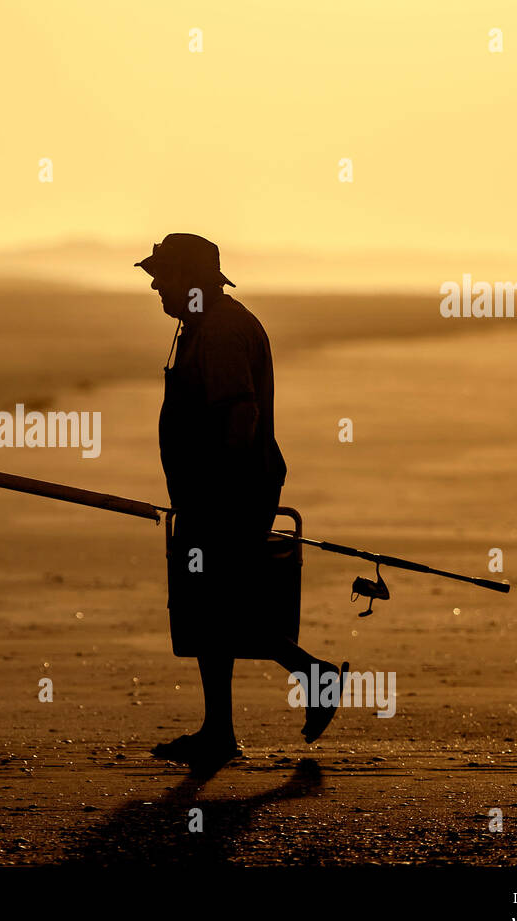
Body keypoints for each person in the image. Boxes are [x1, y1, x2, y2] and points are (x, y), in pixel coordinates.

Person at [135, 233, 348, 772]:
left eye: (164, 276)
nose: (156, 286)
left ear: (193, 280)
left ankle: (309, 674)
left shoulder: (223, 332)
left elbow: (240, 415)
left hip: (229, 491)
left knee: (218, 605)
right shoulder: (202, 325)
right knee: (214, 607)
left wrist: (218, 496)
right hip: (215, 491)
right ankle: (220, 730)